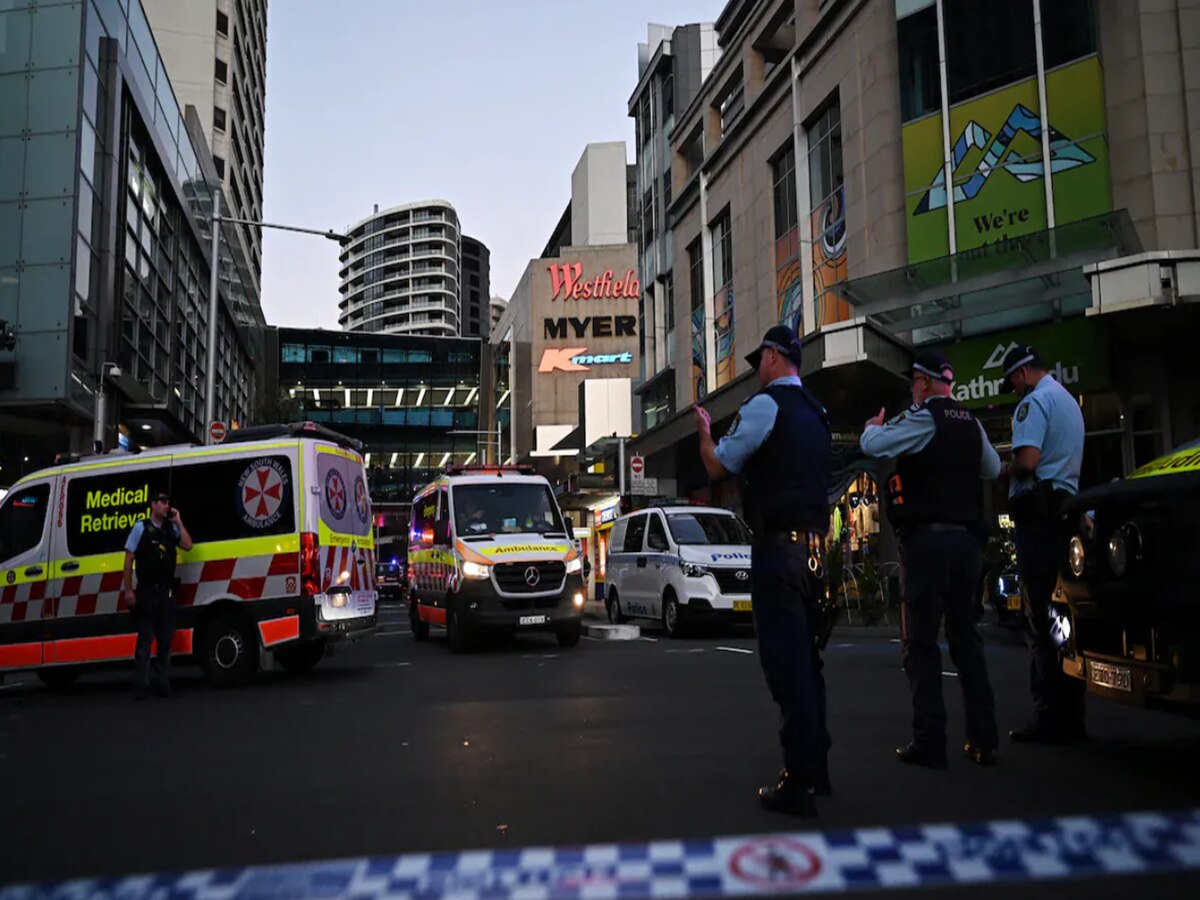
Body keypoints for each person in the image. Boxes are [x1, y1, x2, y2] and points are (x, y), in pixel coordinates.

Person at [694, 324, 832, 817]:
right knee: (809, 664)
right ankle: (817, 767)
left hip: (778, 552)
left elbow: (718, 467)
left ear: (775, 357)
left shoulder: (766, 407)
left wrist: (706, 435)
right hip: (819, 551)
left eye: (760, 360)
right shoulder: (817, 413)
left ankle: (799, 782)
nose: (757, 370)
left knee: (786, 665)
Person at [860, 351, 1002, 769]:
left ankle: (930, 740)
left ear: (923, 382)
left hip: (928, 546)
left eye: (913, 384)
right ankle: (984, 738)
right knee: (966, 641)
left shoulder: (924, 418)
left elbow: (876, 445)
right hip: (967, 546)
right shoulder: (970, 423)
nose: (912, 390)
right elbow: (992, 469)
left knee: (921, 643)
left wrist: (872, 429)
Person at [1000, 345, 1087, 744]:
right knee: (1064, 621)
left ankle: (1049, 713)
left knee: (1039, 618)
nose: (1014, 389)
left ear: (1022, 373)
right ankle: (1073, 714)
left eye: (1013, 381)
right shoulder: (1069, 401)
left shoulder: (1034, 404)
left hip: (1038, 520)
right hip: (1066, 515)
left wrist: (1006, 468)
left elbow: (1029, 460)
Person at [123, 492, 193, 699]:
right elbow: (128, 561)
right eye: (162, 502)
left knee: (165, 642)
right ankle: (141, 686)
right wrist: (128, 590)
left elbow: (188, 545)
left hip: (167, 593)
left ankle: (162, 682)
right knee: (145, 641)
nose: (166, 505)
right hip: (146, 592)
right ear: (153, 505)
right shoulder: (140, 527)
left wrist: (179, 523)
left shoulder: (171, 529)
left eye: (167, 502)